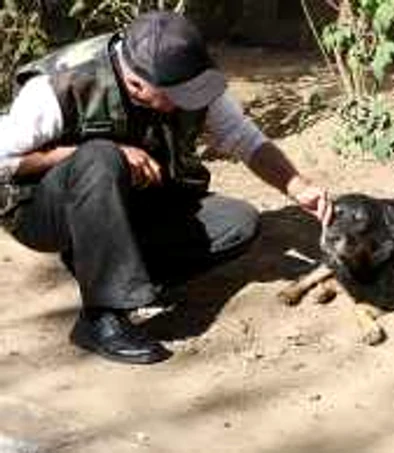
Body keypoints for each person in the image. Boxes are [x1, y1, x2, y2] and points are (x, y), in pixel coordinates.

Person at [0, 11, 332, 364]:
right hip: (42, 211)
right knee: (100, 157)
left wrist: (298, 187)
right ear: (137, 84)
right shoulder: (59, 87)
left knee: (238, 223)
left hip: (132, 203)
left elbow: (243, 137)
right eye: (182, 93)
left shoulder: (185, 78)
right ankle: (101, 317)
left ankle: (113, 268)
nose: (193, 98)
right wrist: (81, 153)